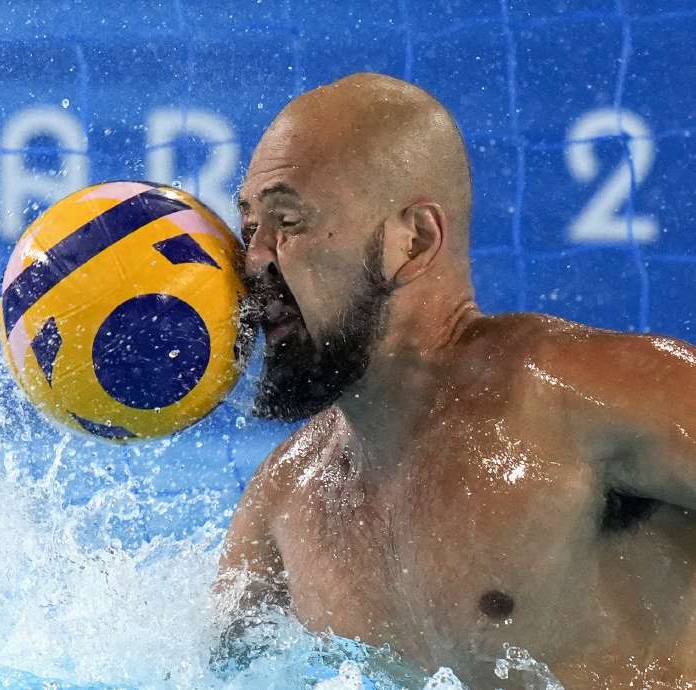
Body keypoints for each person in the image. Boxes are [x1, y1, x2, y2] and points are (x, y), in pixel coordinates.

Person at [215, 71, 696, 688]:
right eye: (250, 224)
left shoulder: (586, 399)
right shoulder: (284, 503)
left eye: (290, 221)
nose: (253, 257)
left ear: (413, 241)